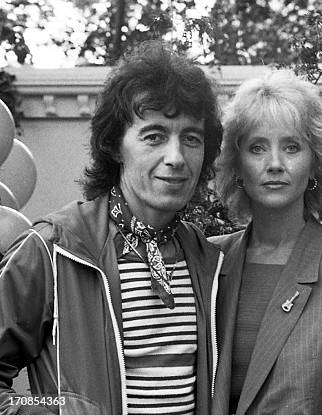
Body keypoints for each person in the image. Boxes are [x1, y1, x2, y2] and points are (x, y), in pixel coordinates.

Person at [0, 41, 224, 415]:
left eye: (191, 138)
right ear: (116, 146)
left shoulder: (207, 261)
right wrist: (53, 408)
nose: (176, 157)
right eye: (154, 136)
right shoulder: (55, 248)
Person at [210, 70, 322, 415]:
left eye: (291, 147)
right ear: (237, 166)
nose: (275, 164)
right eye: (257, 148)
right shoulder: (209, 259)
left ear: (314, 164)